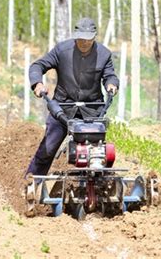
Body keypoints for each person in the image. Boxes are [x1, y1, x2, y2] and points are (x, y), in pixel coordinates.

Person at [26, 17, 119, 176]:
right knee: (47, 150)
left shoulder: (104, 54)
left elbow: (110, 75)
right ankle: (31, 182)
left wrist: (111, 84)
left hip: (92, 111)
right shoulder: (62, 50)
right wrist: (37, 84)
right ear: (75, 36)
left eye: (87, 39)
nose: (83, 43)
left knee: (96, 155)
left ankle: (97, 189)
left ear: (94, 37)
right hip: (63, 107)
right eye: (80, 39)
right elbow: (38, 65)